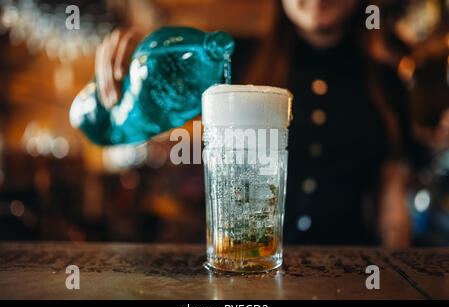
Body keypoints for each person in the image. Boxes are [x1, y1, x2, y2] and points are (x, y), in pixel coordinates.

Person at [95, 0, 419, 247]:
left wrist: (392, 271)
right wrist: (145, 57)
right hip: (246, 266)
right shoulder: (233, 60)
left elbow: (392, 199)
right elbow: (170, 78)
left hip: (348, 275)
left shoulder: (386, 83)